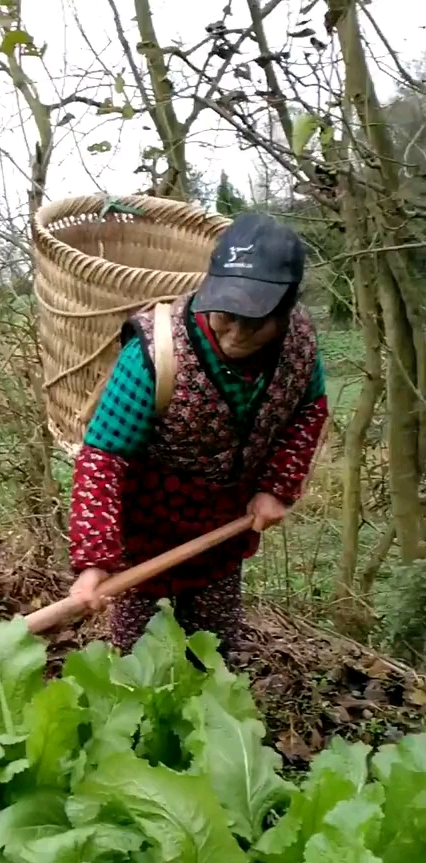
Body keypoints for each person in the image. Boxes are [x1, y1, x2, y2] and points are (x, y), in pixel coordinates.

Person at [68, 211, 329, 656]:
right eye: (226, 313)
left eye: (253, 319)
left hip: (222, 530)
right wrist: (95, 562)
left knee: (212, 649)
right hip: (147, 535)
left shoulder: (299, 346)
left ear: (285, 311)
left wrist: (277, 488)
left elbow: (310, 411)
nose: (232, 331)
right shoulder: (155, 354)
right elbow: (102, 459)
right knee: (141, 661)